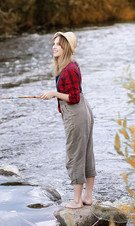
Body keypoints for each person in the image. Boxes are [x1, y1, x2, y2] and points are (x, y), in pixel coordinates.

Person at [40, 32, 96, 209]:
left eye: (59, 44)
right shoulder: (66, 66)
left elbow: (73, 98)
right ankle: (87, 197)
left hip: (76, 112)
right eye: (54, 43)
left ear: (67, 48)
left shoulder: (70, 69)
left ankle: (77, 201)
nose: (54, 47)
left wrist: (53, 94)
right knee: (85, 153)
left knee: (75, 155)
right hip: (81, 111)